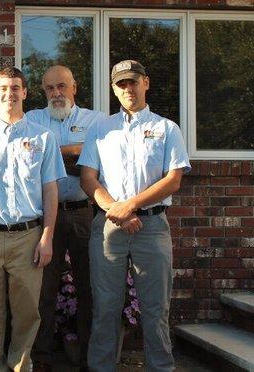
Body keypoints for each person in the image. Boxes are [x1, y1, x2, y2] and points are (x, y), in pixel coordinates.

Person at [78, 60, 190, 372]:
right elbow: (89, 178)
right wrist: (117, 210)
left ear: (146, 83)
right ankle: (101, 368)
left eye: (133, 82)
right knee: (105, 307)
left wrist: (130, 206)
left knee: (155, 308)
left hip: (152, 226)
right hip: (109, 227)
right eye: (121, 84)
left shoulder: (167, 128)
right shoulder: (101, 129)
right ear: (114, 89)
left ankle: (160, 368)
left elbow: (173, 180)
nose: (128, 88)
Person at [0, 67, 66, 372]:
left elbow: (50, 190)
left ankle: (20, 366)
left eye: (15, 87)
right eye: (3, 88)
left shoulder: (43, 137)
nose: (10, 94)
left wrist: (47, 236)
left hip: (28, 237)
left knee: (28, 310)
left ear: (25, 92)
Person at [26, 65, 106, 371]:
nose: (56, 93)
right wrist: (75, 158)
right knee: (43, 290)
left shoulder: (95, 120)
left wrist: (57, 155)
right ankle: (41, 357)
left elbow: (98, 158)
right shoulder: (33, 119)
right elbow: (30, 159)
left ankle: (88, 357)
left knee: (88, 288)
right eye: (49, 88)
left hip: (82, 212)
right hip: (45, 217)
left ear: (74, 87)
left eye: (62, 86)